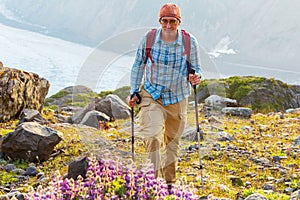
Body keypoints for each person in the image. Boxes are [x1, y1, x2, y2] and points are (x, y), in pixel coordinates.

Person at [127, 3, 201, 190]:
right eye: (165, 21)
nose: (168, 25)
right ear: (160, 21)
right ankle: (154, 183)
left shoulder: (189, 41)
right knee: (151, 136)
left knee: (172, 143)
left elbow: (196, 68)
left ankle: (169, 184)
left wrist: (195, 76)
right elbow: (138, 64)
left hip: (178, 97)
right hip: (152, 94)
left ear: (179, 22)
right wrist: (134, 90)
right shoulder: (149, 38)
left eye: (172, 21)